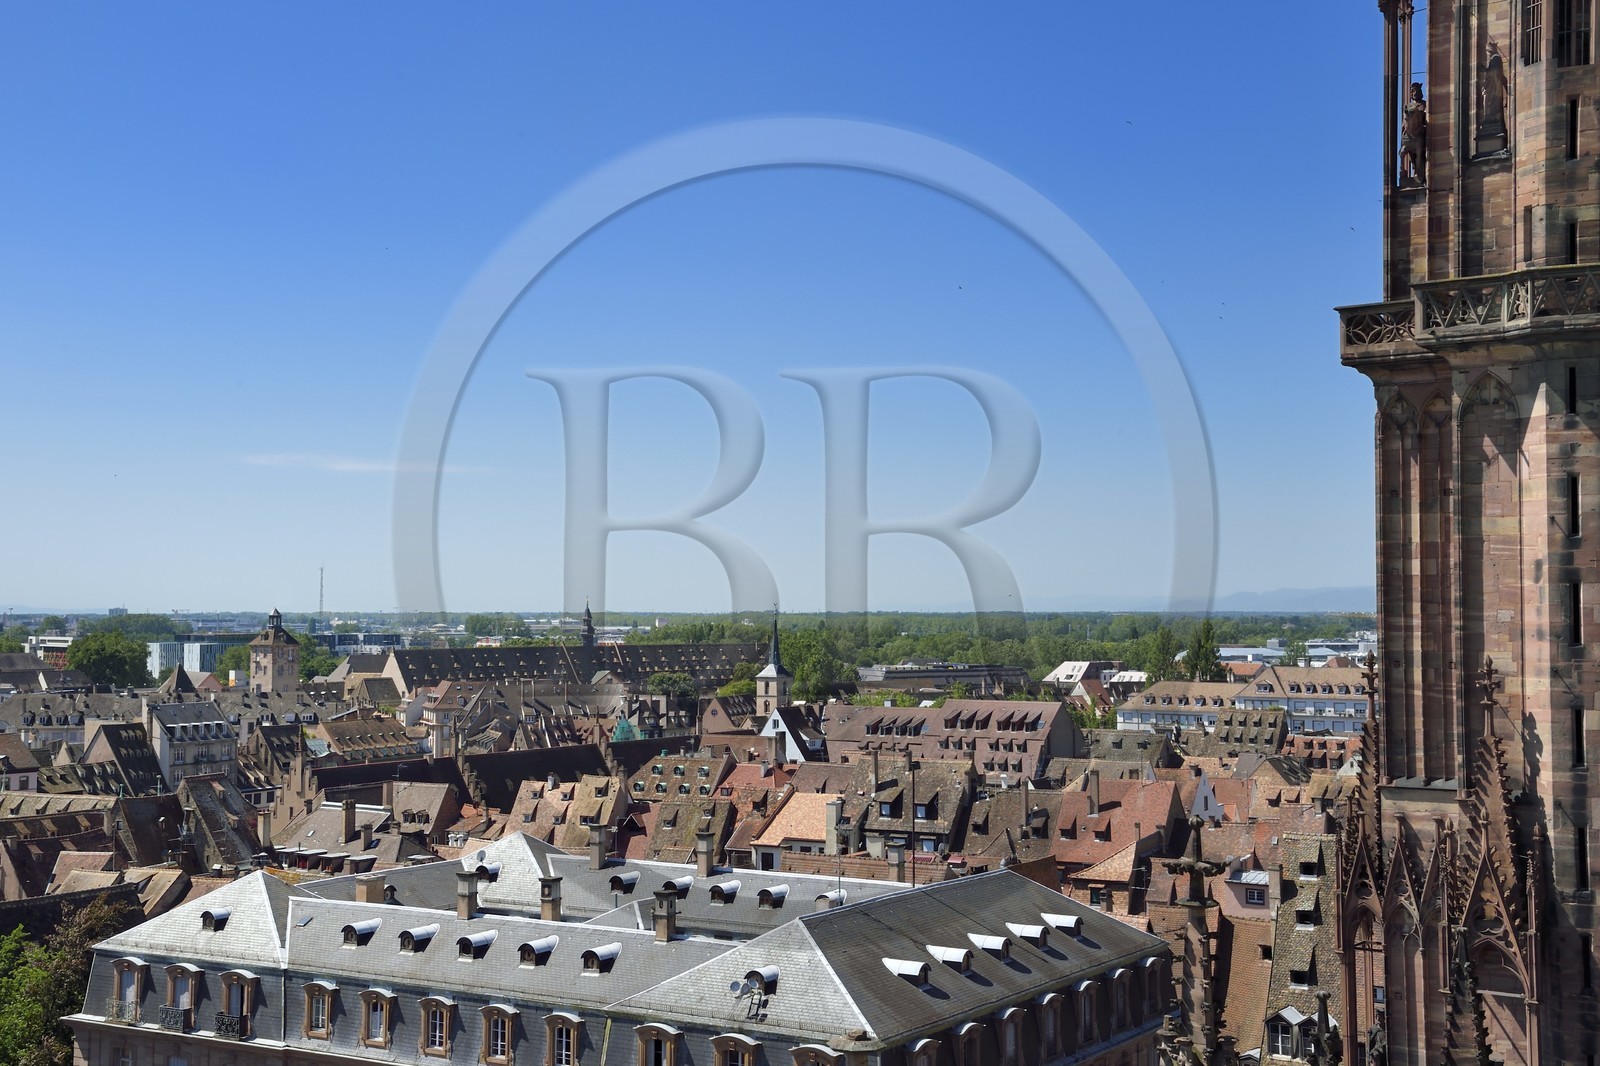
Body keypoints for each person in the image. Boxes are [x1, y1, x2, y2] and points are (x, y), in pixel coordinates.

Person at [1402, 82, 1427, 184]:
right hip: (1410, 132)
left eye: (1417, 90)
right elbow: (1405, 118)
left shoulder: (1424, 104)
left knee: (1420, 151)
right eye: (1413, 91)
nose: (1415, 93)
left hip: (1420, 131)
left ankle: (1419, 171)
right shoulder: (1408, 106)